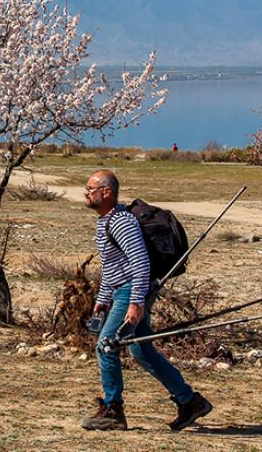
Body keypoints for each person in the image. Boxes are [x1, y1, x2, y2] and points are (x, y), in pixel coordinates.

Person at [81, 169, 212, 431]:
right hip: (122, 290)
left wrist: (136, 302)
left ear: (106, 192)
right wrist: (102, 299)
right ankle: (190, 402)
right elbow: (112, 266)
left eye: (90, 189)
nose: (86, 194)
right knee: (141, 351)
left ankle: (112, 409)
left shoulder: (121, 222)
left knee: (107, 345)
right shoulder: (105, 221)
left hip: (131, 290)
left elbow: (140, 263)